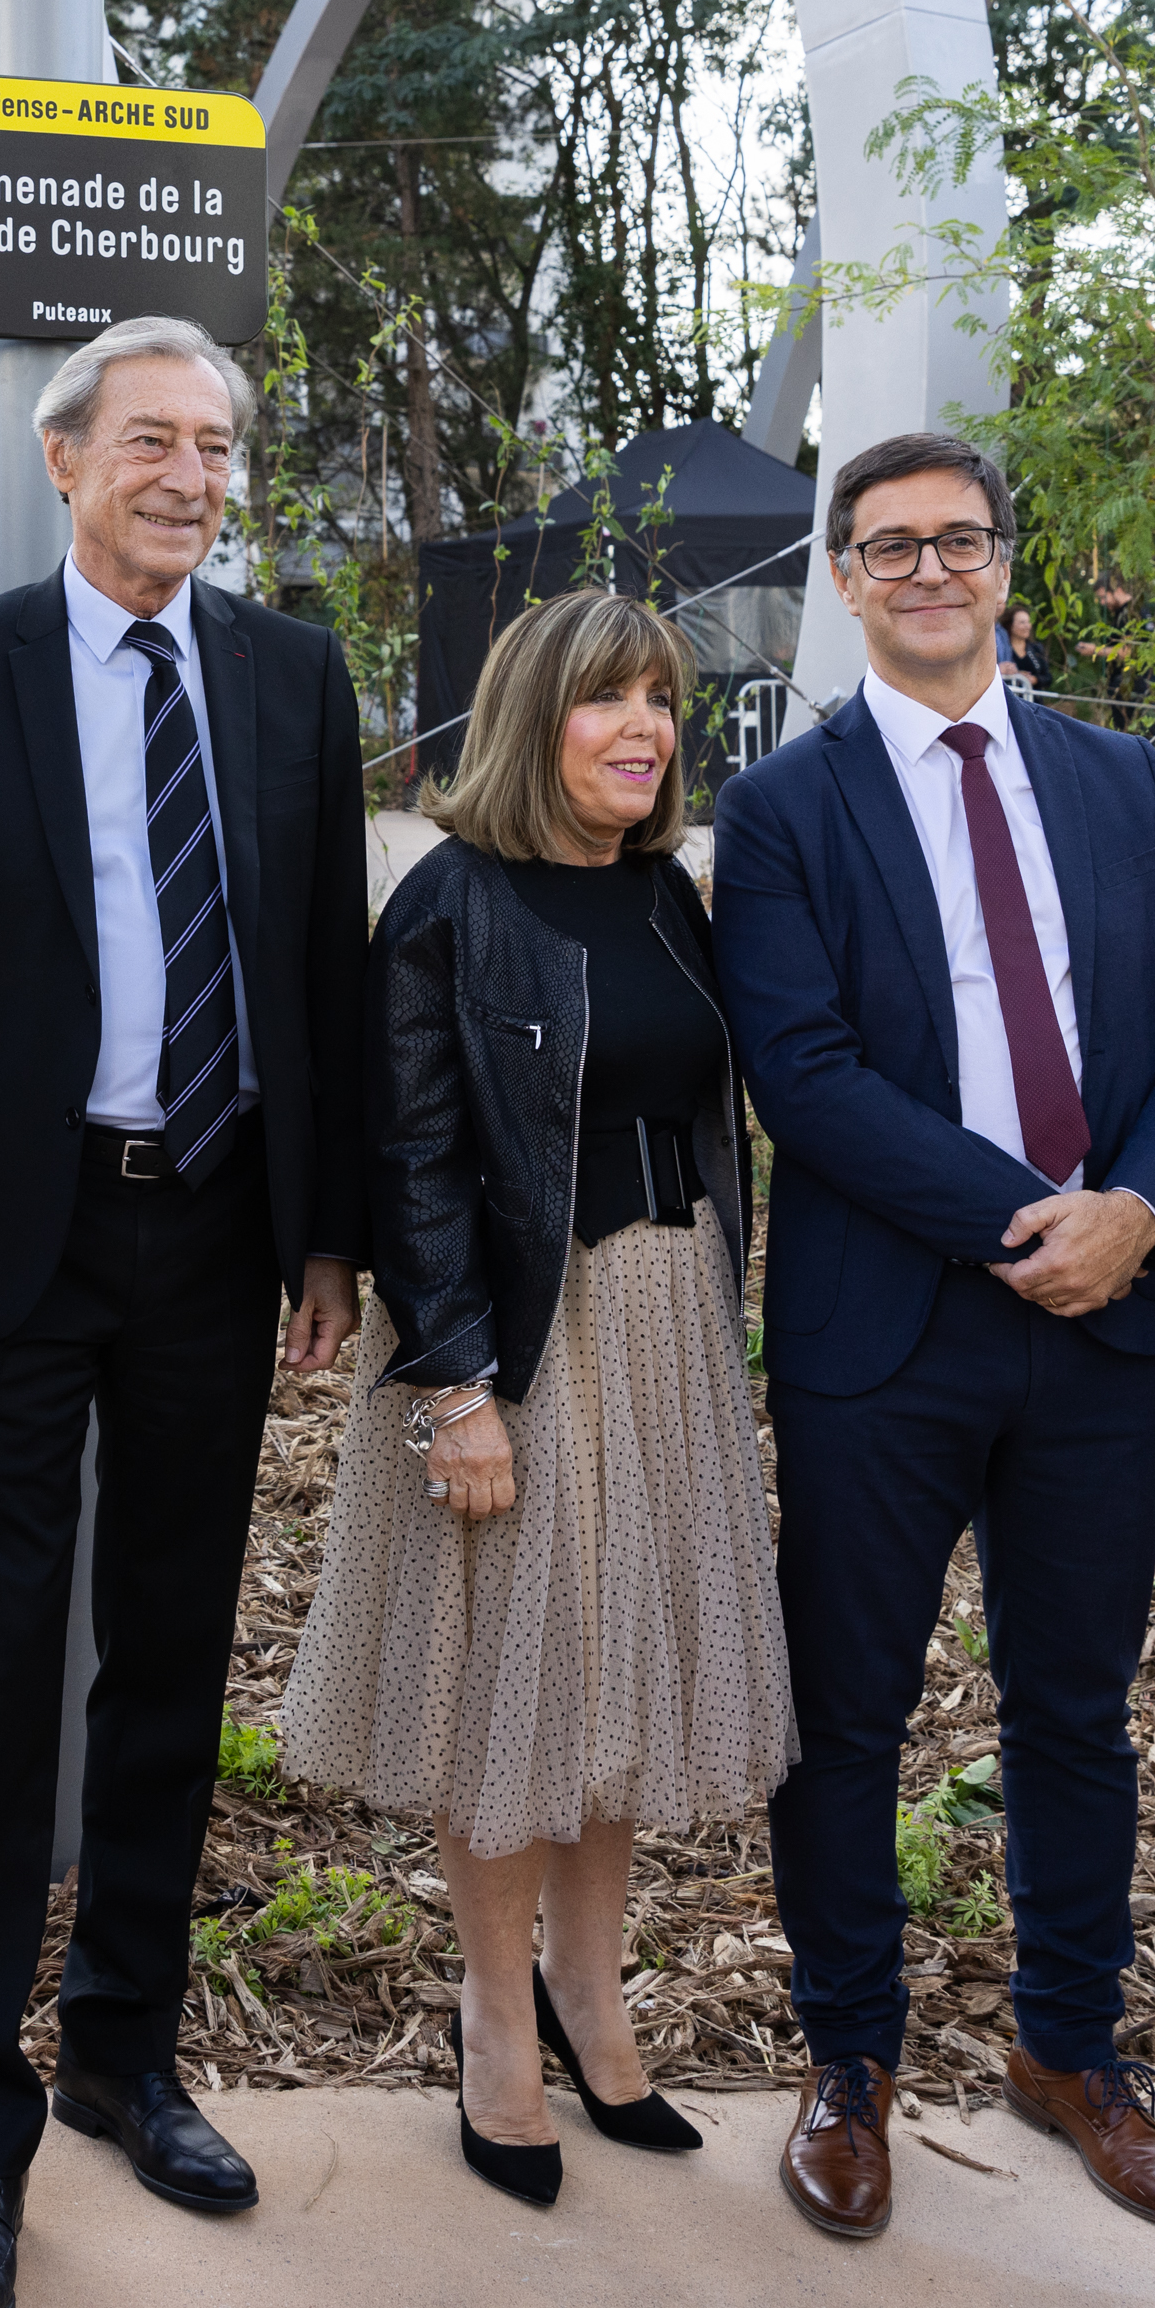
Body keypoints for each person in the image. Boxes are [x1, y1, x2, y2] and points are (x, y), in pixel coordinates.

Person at [0, 316, 372, 2308]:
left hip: (219, 1234)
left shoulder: (288, 677)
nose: (189, 473)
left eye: (216, 443)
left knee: (169, 1650)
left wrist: (328, 1238)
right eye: (150, 438)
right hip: (11, 1239)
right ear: (64, 461)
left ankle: (125, 2055)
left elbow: (316, 974)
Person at [708, 429, 1155, 2248]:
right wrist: (1019, 1218)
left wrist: (1135, 1209)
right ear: (841, 580)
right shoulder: (785, 806)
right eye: (886, 547)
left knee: (1072, 1704)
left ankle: (1067, 2049)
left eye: (956, 540)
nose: (926, 570)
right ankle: (845, 2059)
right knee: (843, 1712)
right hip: (888, 1323)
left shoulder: (1117, 781)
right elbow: (799, 1070)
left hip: (1106, 1319)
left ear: (1003, 567)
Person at [287, 586, 792, 2209]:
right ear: (529, 718)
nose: (642, 728)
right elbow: (412, 1156)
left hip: (665, 1320)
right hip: (518, 1334)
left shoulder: (666, 896)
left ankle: (592, 1993)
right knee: (513, 1683)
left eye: (658, 698)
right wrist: (449, 1382)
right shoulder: (449, 901)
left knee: (616, 1674)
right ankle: (493, 2016)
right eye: (604, 700)